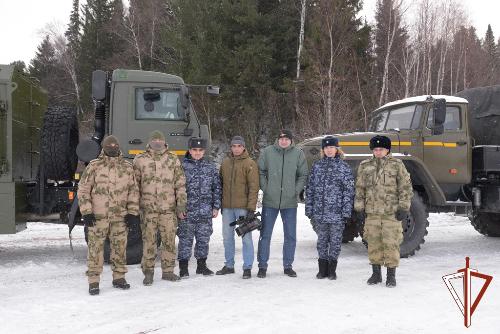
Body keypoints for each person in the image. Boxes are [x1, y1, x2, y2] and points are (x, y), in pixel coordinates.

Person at [78, 135, 140, 295]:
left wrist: (133, 213)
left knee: (120, 248)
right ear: (104, 147)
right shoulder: (94, 166)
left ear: (119, 147)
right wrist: (87, 212)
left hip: (120, 217)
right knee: (95, 250)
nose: (112, 147)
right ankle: (93, 281)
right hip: (98, 217)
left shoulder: (127, 167)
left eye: (115, 145)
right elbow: (84, 190)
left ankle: (119, 277)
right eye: (109, 145)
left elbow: (133, 191)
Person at [354, 135, 413, 287]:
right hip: (372, 213)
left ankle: (391, 276)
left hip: (390, 213)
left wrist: (404, 207)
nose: (378, 152)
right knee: (373, 243)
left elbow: (405, 187)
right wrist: (359, 208)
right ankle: (376, 274)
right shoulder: (365, 165)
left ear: (388, 150)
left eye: (382, 149)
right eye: (376, 149)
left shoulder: (397, 165)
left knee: (391, 243)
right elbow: (360, 188)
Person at [133, 130, 187, 286]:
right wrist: (134, 206)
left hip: (168, 210)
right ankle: (148, 273)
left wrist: (181, 204)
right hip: (148, 210)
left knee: (169, 241)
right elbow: (134, 185)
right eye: (154, 139)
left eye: (160, 140)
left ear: (164, 142)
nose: (157, 142)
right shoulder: (140, 159)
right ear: (149, 142)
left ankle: (168, 271)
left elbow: (180, 183)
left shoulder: (172, 159)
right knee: (149, 242)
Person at [257, 129, 308, 278]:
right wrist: (266, 189)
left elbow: (303, 174)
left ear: (291, 140)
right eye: (281, 138)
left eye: (287, 139)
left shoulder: (298, 153)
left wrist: (295, 190)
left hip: (289, 202)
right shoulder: (268, 152)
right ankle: (262, 266)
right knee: (265, 235)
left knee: (290, 235)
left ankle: (288, 265)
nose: (284, 141)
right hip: (270, 201)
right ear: (277, 140)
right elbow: (261, 171)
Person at [305, 136, 354, 280]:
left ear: (337, 149)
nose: (329, 150)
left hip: (337, 214)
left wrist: (346, 211)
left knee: (335, 242)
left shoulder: (344, 167)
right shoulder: (317, 166)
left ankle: (332, 270)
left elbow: (348, 191)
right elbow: (310, 189)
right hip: (319, 213)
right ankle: (322, 269)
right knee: (321, 241)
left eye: (332, 147)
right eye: (326, 148)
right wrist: (309, 208)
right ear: (323, 150)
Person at [177, 137, 221, 278]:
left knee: (203, 239)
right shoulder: (181, 167)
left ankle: (201, 266)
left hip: (205, 211)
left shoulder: (210, 167)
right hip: (187, 211)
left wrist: (216, 206)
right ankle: (183, 268)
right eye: (194, 150)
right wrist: (179, 208)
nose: (197, 153)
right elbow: (176, 189)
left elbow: (217, 188)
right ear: (189, 150)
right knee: (185, 240)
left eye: (200, 150)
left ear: (204, 151)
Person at [216, 136, 260, 279]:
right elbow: (220, 185)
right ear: (231, 147)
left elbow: (254, 187)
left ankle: (247, 267)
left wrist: (251, 208)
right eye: (234, 146)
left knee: (246, 238)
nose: (236, 149)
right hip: (227, 208)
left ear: (243, 147)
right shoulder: (225, 163)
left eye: (239, 146)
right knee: (227, 237)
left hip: (242, 208)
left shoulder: (250, 164)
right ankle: (229, 265)